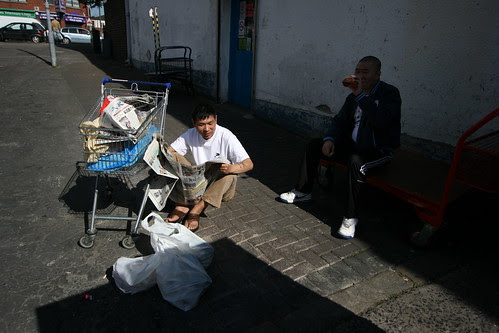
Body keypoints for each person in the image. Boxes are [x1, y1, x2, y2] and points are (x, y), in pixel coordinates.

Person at [278, 56, 402, 239]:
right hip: (353, 145)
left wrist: (360, 96)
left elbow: (382, 121)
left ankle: (351, 217)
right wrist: (330, 139)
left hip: (379, 150)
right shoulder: (354, 96)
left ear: (378, 74)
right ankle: (303, 191)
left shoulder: (389, 93)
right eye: (357, 71)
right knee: (314, 145)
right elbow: (340, 121)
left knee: (356, 162)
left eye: (365, 72)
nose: (360, 76)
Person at [166, 103, 254, 231]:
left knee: (231, 176)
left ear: (216, 120)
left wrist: (231, 168)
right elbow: (170, 151)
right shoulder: (190, 134)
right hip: (197, 182)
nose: (207, 129)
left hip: (216, 185)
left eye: (210, 123)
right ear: (194, 123)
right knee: (171, 158)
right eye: (201, 125)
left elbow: (249, 164)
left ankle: (197, 209)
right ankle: (182, 204)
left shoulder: (226, 136)